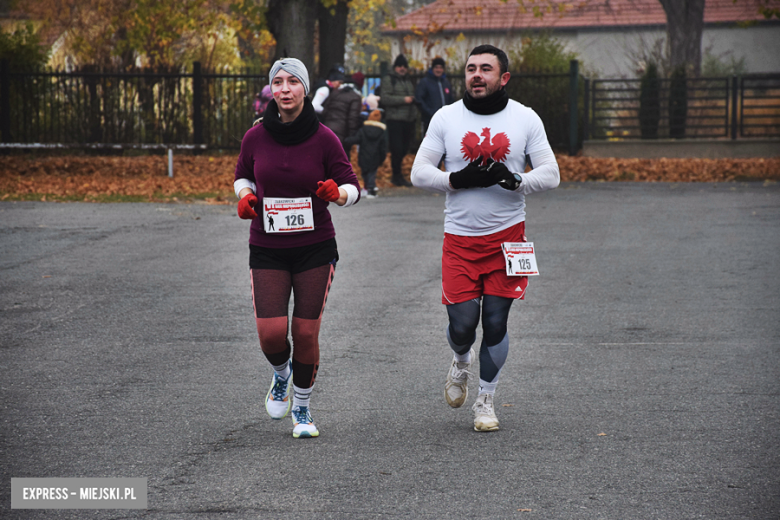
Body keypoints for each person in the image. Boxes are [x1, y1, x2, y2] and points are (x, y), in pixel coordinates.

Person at [410, 44, 560, 432]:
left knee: (495, 322)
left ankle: (486, 399)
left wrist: (516, 181)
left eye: (486, 69)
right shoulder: (446, 118)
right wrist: (455, 179)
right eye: (471, 68)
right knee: (462, 326)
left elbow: (551, 174)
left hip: (507, 239)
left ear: (503, 77)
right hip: (459, 239)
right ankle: (461, 360)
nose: (477, 75)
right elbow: (419, 173)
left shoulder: (525, 119)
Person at [233, 57, 361, 439]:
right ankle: (280, 375)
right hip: (268, 245)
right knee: (272, 334)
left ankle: (302, 408)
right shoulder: (255, 136)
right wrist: (245, 195)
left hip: (314, 247)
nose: (285, 89)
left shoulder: (325, 138)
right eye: (278, 82)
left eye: (293, 82)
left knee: (305, 333)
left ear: (305, 89)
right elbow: (243, 174)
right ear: (271, 89)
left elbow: (353, 186)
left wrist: (337, 194)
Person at [381, 54, 416, 187]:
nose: (402, 68)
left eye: (404, 66)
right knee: (397, 149)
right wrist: (403, 100)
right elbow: (385, 98)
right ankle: (396, 176)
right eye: (399, 66)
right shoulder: (389, 80)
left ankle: (399, 174)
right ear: (395, 67)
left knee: (404, 149)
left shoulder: (407, 80)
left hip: (407, 120)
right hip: (394, 119)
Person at [343, 109, 388, 198]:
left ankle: (368, 188)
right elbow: (383, 146)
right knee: (372, 173)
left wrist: (345, 140)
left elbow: (356, 139)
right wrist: (382, 158)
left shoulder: (363, 129)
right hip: (376, 156)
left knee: (365, 173)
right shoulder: (382, 131)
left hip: (363, 155)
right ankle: (371, 189)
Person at [320, 72, 363, 155]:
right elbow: (352, 118)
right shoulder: (355, 97)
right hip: (342, 134)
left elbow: (325, 111)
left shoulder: (334, 93)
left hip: (327, 130)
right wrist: (351, 136)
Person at [415, 57, 454, 134]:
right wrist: (430, 113)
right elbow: (419, 100)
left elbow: (451, 100)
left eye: (441, 68)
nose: (438, 70)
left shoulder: (446, 83)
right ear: (432, 68)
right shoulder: (424, 82)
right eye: (436, 67)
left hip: (445, 121)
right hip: (429, 121)